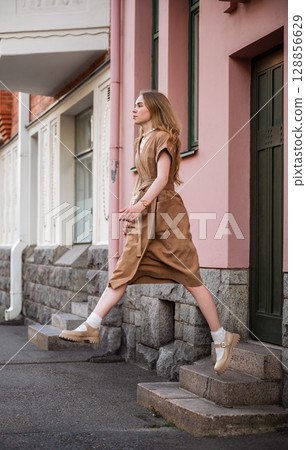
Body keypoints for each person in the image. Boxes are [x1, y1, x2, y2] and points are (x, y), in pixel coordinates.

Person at [59, 90, 240, 376]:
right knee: (122, 271)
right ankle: (91, 325)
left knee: (190, 277)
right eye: (133, 105)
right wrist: (134, 210)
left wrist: (140, 205)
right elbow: (143, 183)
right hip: (145, 217)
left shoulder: (163, 137)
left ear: (154, 109)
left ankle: (222, 339)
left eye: (139, 105)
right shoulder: (141, 140)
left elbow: (162, 178)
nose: (134, 109)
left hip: (168, 216)